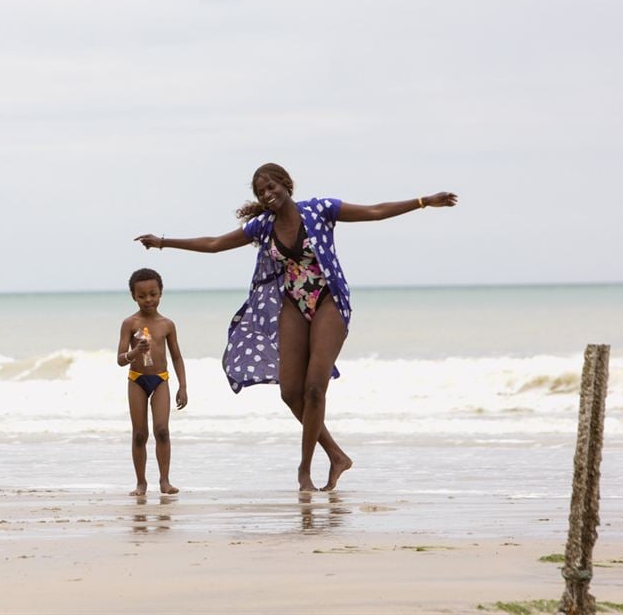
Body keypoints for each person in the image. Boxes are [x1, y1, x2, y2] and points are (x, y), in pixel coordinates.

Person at [136, 163, 457, 492]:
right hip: (292, 303)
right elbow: (215, 243)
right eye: (261, 192)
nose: (267, 194)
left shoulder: (320, 210)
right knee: (290, 392)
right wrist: (163, 243)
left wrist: (423, 201)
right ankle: (336, 456)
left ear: (287, 185)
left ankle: (304, 470)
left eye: (271, 187)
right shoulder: (262, 227)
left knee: (315, 388)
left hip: (328, 299)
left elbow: (374, 211)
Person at [117, 268, 188, 496]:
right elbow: (120, 360)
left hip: (160, 381)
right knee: (139, 434)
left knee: (162, 430)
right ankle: (141, 483)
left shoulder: (167, 325)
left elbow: (176, 356)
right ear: (133, 297)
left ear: (160, 293)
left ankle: (165, 481)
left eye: (153, 294)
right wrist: (135, 351)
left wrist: (183, 386)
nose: (148, 300)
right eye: (142, 296)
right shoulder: (130, 323)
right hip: (137, 380)